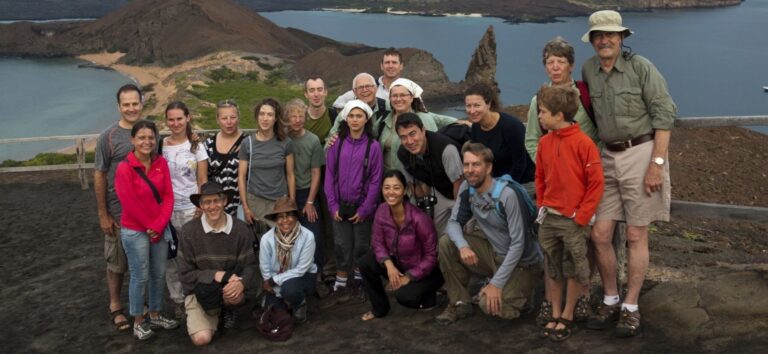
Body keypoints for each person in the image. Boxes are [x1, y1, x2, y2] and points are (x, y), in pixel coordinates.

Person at [581, 10, 676, 337]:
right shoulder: (589, 69)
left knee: (636, 235)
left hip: (641, 153)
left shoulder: (641, 67)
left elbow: (665, 113)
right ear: (592, 41)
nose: (604, 40)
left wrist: (657, 164)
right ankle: (610, 296)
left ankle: (631, 306)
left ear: (621, 38)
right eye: (598, 35)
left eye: (610, 35)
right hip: (607, 156)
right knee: (600, 234)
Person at [436, 143, 542, 325]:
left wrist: (496, 284)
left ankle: (522, 299)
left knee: (490, 306)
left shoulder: (507, 195)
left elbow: (519, 244)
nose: (470, 170)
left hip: (522, 263)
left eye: (476, 164)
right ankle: (460, 302)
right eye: (466, 165)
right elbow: (453, 222)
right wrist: (463, 246)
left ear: (489, 167)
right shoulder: (467, 188)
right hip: (493, 253)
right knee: (447, 243)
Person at [534, 86, 604, 341]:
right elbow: (540, 176)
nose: (539, 116)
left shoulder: (584, 144)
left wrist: (582, 216)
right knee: (553, 266)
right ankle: (554, 312)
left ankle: (568, 314)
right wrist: (542, 202)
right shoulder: (544, 142)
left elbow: (596, 183)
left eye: (542, 112)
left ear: (559, 115)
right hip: (549, 217)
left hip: (574, 220)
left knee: (574, 267)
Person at [114, 120, 179, 340]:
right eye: (141, 137)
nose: (147, 141)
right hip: (135, 231)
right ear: (132, 140)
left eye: (151, 137)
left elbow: (169, 196)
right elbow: (129, 203)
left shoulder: (161, 163)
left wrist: (159, 225)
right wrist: (151, 226)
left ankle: (155, 313)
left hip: (158, 228)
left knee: (158, 274)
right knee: (140, 276)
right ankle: (138, 320)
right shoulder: (125, 167)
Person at [321, 100, 383, 308]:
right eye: (352, 116)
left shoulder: (373, 147)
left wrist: (366, 208)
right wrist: (332, 205)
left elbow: (376, 179)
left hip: (362, 206)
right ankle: (340, 281)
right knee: (341, 243)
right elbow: (329, 175)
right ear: (345, 118)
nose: (355, 120)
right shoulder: (336, 144)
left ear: (366, 119)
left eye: (359, 116)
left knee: (362, 244)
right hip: (339, 204)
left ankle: (359, 279)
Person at [178, 182, 257, 346]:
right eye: (207, 202)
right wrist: (215, 275)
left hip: (229, 286)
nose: (212, 206)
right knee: (201, 339)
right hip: (202, 291)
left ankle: (227, 310)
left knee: (234, 296)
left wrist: (241, 284)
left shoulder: (241, 229)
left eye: (216, 201)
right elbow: (185, 274)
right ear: (201, 205)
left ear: (225, 202)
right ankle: (209, 312)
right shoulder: (188, 231)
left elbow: (250, 265)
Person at [358, 170, 444, 320]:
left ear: (405, 190)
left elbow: (431, 257)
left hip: (426, 271)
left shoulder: (419, 218)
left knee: (405, 297)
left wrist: (409, 277)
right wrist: (389, 264)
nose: (391, 192)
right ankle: (380, 308)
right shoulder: (382, 210)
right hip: (399, 264)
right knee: (365, 262)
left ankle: (428, 296)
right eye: (387, 187)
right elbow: (377, 242)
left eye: (396, 188)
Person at [94, 83, 143, 333]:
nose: (131, 108)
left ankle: (141, 307)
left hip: (144, 215)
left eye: (135, 103)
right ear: (119, 106)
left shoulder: (147, 133)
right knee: (116, 263)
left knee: (141, 263)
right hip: (118, 214)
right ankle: (115, 306)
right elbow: (100, 174)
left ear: (141, 104)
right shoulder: (108, 137)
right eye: (126, 104)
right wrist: (103, 213)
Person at [161, 101, 209, 319]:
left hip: (192, 210)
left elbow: (203, 179)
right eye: (171, 119)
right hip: (168, 212)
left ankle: (196, 296)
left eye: (179, 118)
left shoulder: (196, 146)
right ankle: (178, 299)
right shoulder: (161, 146)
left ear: (188, 118)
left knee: (194, 256)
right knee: (171, 258)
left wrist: (200, 206)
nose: (175, 123)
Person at [524, 37, 602, 161]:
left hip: (589, 165)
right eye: (550, 62)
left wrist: (594, 158)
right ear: (545, 67)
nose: (555, 67)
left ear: (571, 66)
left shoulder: (587, 93)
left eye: (561, 62)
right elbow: (532, 141)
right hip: (556, 172)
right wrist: (547, 165)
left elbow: (603, 131)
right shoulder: (538, 101)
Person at [284, 98, 328, 294]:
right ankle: (294, 278)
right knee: (290, 239)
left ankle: (316, 277)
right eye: (293, 116)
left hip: (308, 193)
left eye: (300, 116)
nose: (297, 120)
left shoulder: (312, 141)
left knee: (314, 236)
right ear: (286, 118)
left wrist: (310, 201)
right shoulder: (283, 140)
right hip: (286, 195)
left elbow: (316, 172)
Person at [395, 113, 464, 234]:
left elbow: (459, 184)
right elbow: (414, 186)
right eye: (403, 137)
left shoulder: (446, 149)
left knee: (461, 227)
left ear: (423, 130)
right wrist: (424, 212)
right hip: (438, 189)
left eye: (413, 134)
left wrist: (458, 216)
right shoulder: (403, 154)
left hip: (460, 190)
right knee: (433, 231)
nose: (409, 141)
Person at [378, 78, 460, 171]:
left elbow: (433, 151)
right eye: (394, 96)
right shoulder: (383, 120)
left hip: (416, 179)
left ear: (412, 97)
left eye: (403, 95)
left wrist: (462, 122)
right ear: (390, 98)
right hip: (389, 181)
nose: (398, 99)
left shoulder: (424, 119)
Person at [238, 98, 296, 227]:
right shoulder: (247, 144)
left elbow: (290, 174)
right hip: (255, 201)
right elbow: (241, 177)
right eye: (262, 114)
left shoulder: (286, 143)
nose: (265, 118)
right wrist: (246, 207)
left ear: (276, 118)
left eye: (270, 115)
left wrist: (291, 201)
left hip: (279, 202)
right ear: (257, 116)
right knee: (258, 242)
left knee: (281, 241)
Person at [260, 197, 318, 323]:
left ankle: (299, 303)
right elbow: (265, 268)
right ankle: (282, 301)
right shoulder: (267, 239)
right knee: (275, 316)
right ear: (276, 220)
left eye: (289, 215)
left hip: (302, 277)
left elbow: (301, 269)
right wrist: (271, 286)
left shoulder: (307, 236)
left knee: (289, 290)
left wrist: (273, 281)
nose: (285, 220)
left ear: (296, 217)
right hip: (274, 280)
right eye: (280, 217)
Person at [465, 82, 535, 187]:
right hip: (495, 183)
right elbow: (480, 159)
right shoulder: (476, 127)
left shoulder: (511, 126)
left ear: (488, 104)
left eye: (477, 105)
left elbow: (520, 163)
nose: (472, 110)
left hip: (523, 182)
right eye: (468, 106)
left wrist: (503, 188)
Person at [203, 99, 247, 216]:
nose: (229, 122)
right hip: (216, 206)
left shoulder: (248, 143)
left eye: (233, 117)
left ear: (238, 118)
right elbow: (204, 178)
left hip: (243, 206)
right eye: (224, 118)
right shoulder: (208, 145)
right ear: (217, 120)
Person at [326, 73, 390, 148]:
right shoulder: (346, 112)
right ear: (354, 91)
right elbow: (330, 140)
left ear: (375, 88)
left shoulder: (388, 107)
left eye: (368, 86)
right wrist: (330, 142)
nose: (365, 90)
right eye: (360, 87)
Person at [331, 47, 405, 108]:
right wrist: (352, 109)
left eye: (394, 62)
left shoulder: (409, 89)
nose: (390, 66)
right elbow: (337, 103)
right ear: (382, 66)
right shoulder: (370, 87)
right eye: (387, 62)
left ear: (401, 66)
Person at [303, 76, 334, 144]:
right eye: (311, 90)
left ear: (325, 92)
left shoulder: (334, 116)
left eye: (319, 90)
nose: (316, 94)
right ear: (306, 94)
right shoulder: (300, 119)